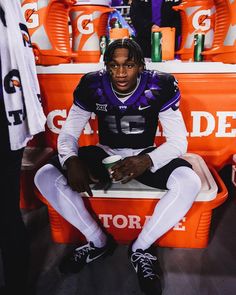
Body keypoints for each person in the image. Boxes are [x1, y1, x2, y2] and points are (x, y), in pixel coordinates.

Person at [34, 38, 201, 295]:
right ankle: (98, 242)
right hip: (107, 152)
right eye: (113, 65)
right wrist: (71, 160)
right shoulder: (93, 84)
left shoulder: (161, 84)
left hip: (145, 152)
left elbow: (178, 141)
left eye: (129, 65)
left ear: (141, 66)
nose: (121, 73)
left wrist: (147, 160)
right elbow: (68, 133)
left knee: (189, 182)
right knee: (44, 175)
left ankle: (140, 248)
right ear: (106, 66)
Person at [0, 1, 46, 294]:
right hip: (10, 121)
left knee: (6, 211)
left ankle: (16, 285)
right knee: (7, 210)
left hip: (5, 126)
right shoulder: (11, 7)